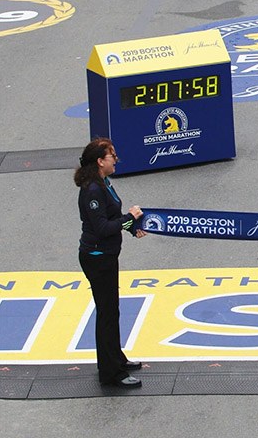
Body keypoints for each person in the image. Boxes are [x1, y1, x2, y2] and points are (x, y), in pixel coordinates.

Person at [75, 138, 146, 388]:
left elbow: (112, 217)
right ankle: (110, 373)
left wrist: (130, 227)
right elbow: (103, 227)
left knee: (111, 311)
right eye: (111, 155)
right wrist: (130, 218)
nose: (115, 159)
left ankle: (116, 358)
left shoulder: (104, 183)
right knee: (106, 313)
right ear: (99, 161)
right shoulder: (93, 190)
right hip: (97, 258)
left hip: (106, 256)